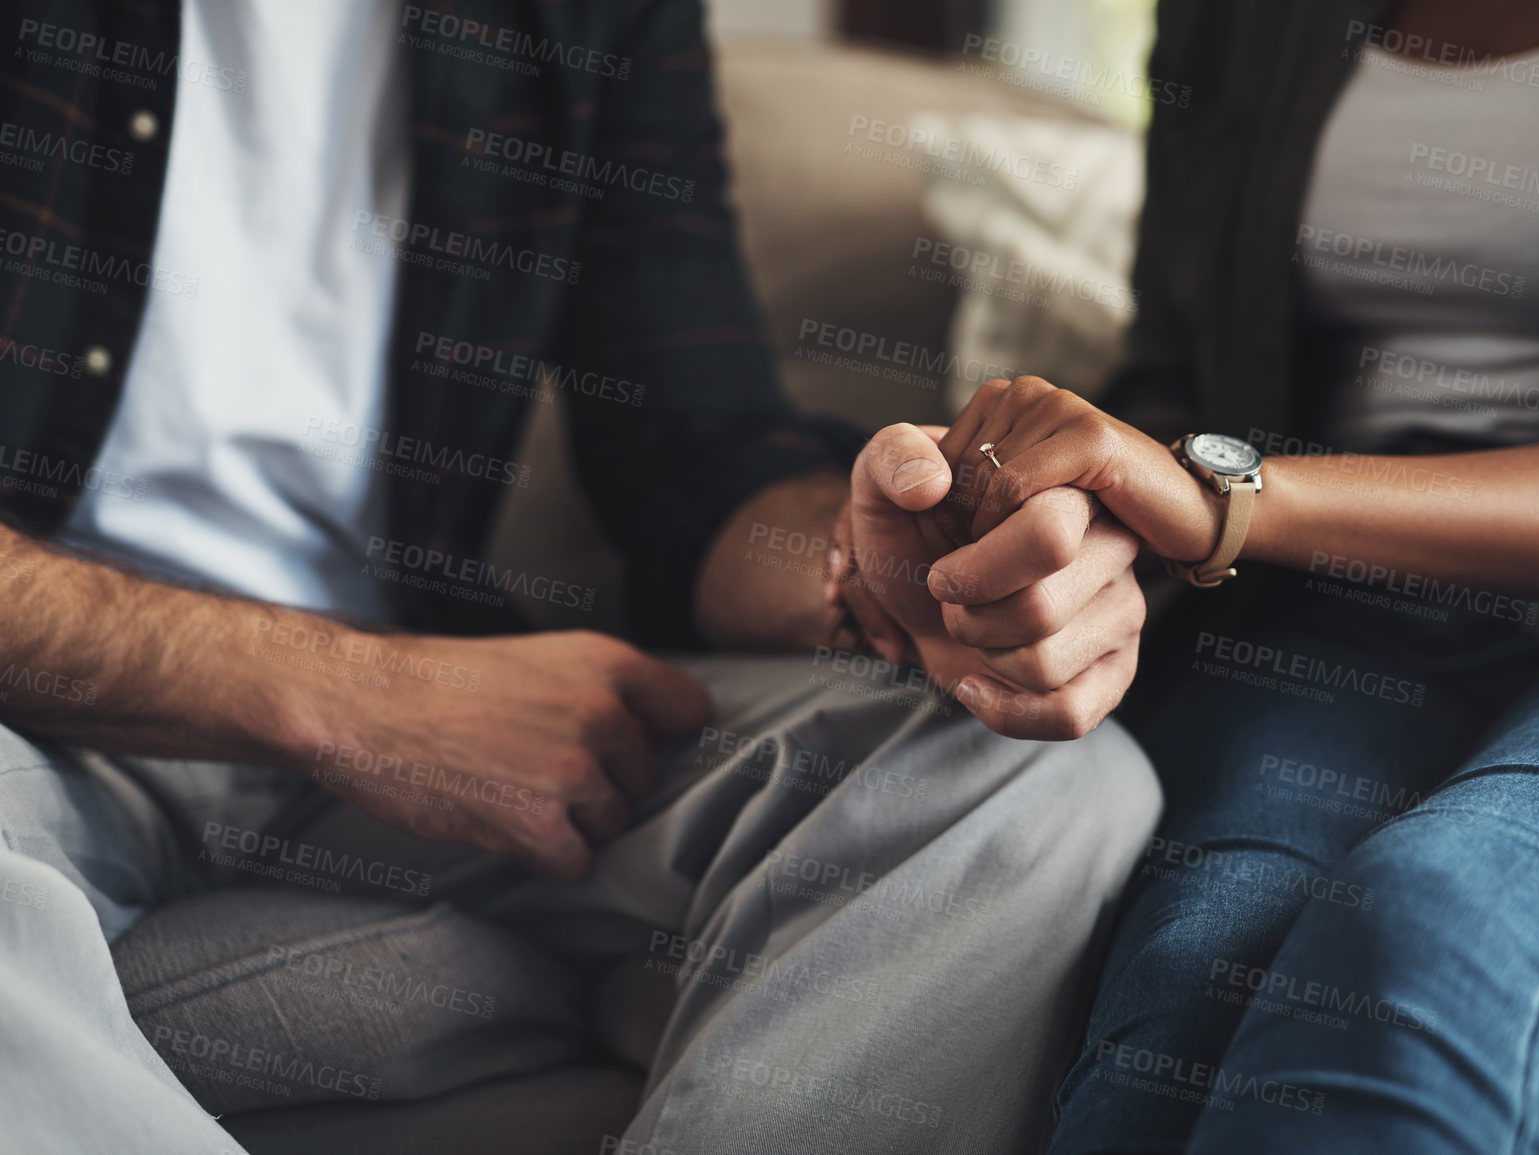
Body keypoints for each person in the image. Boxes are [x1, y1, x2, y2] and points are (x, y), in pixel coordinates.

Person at [0, 1, 1159, 1152]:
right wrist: (354, 694)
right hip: (39, 723)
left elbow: (693, 464)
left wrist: (880, 569)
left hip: (413, 719)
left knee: (1030, 785)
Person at [847, 0, 1539, 1151]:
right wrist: (1062, 518)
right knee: (1190, 976)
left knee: (1429, 941)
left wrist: (1224, 501)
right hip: (1330, 621)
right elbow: (1176, 379)